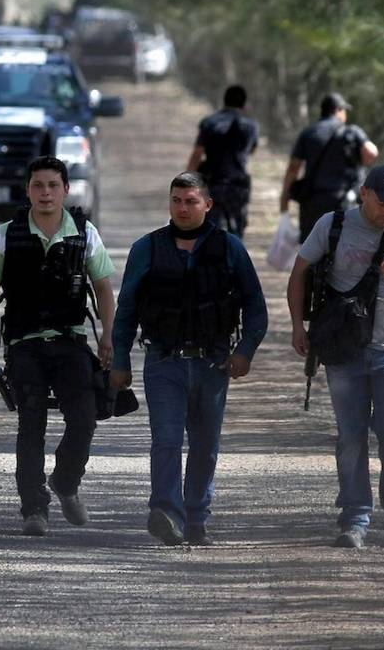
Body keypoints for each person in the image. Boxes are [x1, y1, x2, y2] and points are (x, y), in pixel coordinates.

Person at [111, 172, 268, 547]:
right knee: (166, 439)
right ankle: (166, 512)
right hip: (163, 362)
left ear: (207, 205)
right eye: (177, 201)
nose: (183, 208)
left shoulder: (229, 248)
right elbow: (127, 309)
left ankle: (196, 519)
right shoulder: (146, 249)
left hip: (213, 364)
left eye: (191, 201)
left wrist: (244, 351)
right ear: (169, 203)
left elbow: (256, 308)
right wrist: (120, 360)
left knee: (204, 445)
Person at [0, 156, 116, 537]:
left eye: (53, 185)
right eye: (38, 186)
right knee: (31, 424)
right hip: (25, 344)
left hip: (70, 342)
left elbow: (104, 290)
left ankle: (65, 481)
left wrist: (110, 338)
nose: (45, 193)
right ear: (27, 190)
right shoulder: (7, 233)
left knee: (84, 418)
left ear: (66, 189)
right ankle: (34, 508)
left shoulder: (85, 232)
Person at [286, 164, 384, 549]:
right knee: (351, 437)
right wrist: (298, 327)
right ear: (364, 193)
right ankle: (354, 519)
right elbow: (299, 271)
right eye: (383, 202)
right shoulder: (332, 225)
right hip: (343, 350)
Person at [280, 92, 379, 242]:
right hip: (343, 202)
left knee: (311, 249)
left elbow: (294, 168)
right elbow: (371, 152)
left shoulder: (309, 133)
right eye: (344, 110)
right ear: (337, 110)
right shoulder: (351, 132)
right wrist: (360, 161)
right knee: (344, 247)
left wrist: (284, 198)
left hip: (312, 202)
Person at [186, 85, 259, 237]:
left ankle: (213, 259)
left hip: (212, 184)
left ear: (224, 101)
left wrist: (186, 183)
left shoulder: (208, 122)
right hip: (238, 186)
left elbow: (197, 154)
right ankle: (234, 257)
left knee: (210, 232)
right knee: (237, 233)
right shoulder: (251, 126)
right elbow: (252, 150)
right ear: (244, 104)